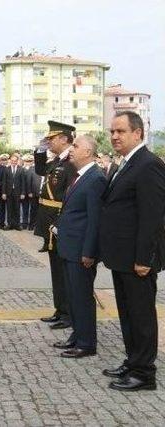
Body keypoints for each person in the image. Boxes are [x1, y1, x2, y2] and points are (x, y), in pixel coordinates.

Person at [99, 111, 165, 391]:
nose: (114, 136)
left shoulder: (148, 164)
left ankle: (144, 373)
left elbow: (153, 217)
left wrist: (144, 258)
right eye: (112, 131)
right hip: (122, 257)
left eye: (121, 131)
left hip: (137, 259)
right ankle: (133, 360)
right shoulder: (126, 163)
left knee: (141, 316)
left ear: (138, 133)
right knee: (127, 313)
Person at [53, 135, 106, 358]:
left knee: (82, 297)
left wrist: (89, 252)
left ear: (88, 152)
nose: (71, 149)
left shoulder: (95, 178)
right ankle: (77, 336)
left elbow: (95, 220)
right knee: (73, 295)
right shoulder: (80, 176)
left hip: (80, 251)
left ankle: (86, 343)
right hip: (69, 247)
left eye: (76, 146)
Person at [35, 121, 78, 330]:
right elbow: (40, 169)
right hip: (51, 224)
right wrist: (39, 151)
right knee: (56, 271)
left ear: (64, 139)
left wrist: (59, 223)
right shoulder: (58, 161)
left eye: (51, 139)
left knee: (64, 272)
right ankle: (60, 310)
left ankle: (68, 313)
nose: (49, 141)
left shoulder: (71, 162)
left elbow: (71, 197)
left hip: (60, 224)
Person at [2, 153, 25, 231]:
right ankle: (9, 224)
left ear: (17, 161)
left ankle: (17, 225)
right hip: (8, 193)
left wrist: (22, 193)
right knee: (9, 209)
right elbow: (4, 181)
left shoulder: (21, 169)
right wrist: (3, 193)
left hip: (18, 193)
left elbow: (23, 182)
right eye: (12, 161)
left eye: (15, 161)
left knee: (17, 209)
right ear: (10, 161)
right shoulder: (6, 169)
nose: (14, 162)